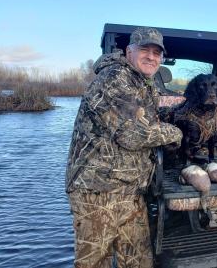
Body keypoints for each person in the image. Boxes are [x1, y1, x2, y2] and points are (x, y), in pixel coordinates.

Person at [65, 27, 182, 268]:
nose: (151, 56)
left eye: (156, 52)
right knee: (95, 262)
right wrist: (176, 132)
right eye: (144, 50)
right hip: (97, 191)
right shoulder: (114, 77)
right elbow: (133, 134)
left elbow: (144, 119)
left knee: (139, 261)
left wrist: (178, 115)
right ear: (129, 51)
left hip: (130, 189)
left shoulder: (140, 82)